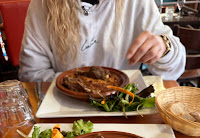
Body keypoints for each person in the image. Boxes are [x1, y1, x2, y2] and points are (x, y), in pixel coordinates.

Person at [19, 0, 186, 82]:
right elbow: (31, 75)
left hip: (123, 105)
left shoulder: (137, 2)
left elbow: (173, 70)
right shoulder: (42, 4)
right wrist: (78, 86)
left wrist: (163, 46)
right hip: (63, 106)